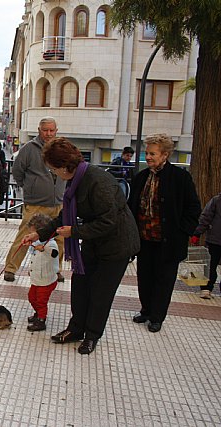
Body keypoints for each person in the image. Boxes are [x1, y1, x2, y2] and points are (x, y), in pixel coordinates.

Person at [22, 137, 140, 355]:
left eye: (54, 169)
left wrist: (75, 232)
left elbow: (109, 221)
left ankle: (92, 336)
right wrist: (38, 234)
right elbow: (65, 217)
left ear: (66, 166)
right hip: (93, 240)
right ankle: (75, 329)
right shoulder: (75, 179)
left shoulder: (98, 182)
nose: (54, 173)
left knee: (101, 293)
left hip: (116, 245)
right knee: (80, 287)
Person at [128, 134, 201, 333]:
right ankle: (146, 309)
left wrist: (182, 231)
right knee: (144, 276)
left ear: (165, 155)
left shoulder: (180, 177)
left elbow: (193, 209)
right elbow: (131, 207)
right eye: (147, 153)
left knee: (164, 280)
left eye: (153, 153)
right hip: (145, 239)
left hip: (168, 241)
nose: (148, 157)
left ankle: (157, 316)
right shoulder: (141, 177)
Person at [4, 117, 65, 282]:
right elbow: (17, 171)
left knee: (59, 238)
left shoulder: (61, 148)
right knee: (25, 235)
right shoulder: (29, 148)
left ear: (56, 131)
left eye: (52, 130)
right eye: (45, 130)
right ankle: (10, 268)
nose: (48, 133)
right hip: (35, 203)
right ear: (39, 130)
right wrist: (29, 188)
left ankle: (56, 270)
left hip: (58, 202)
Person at [25, 213, 60, 332]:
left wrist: (42, 248)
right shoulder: (36, 243)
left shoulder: (51, 244)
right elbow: (34, 257)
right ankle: (38, 313)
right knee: (31, 297)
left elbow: (54, 254)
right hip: (37, 278)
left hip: (46, 280)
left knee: (41, 301)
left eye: (32, 233)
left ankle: (41, 319)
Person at [191, 192, 221, 299]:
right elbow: (206, 217)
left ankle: (207, 288)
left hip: (214, 239)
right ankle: (206, 288)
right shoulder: (217, 201)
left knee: (210, 265)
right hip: (214, 240)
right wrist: (197, 233)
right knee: (210, 265)